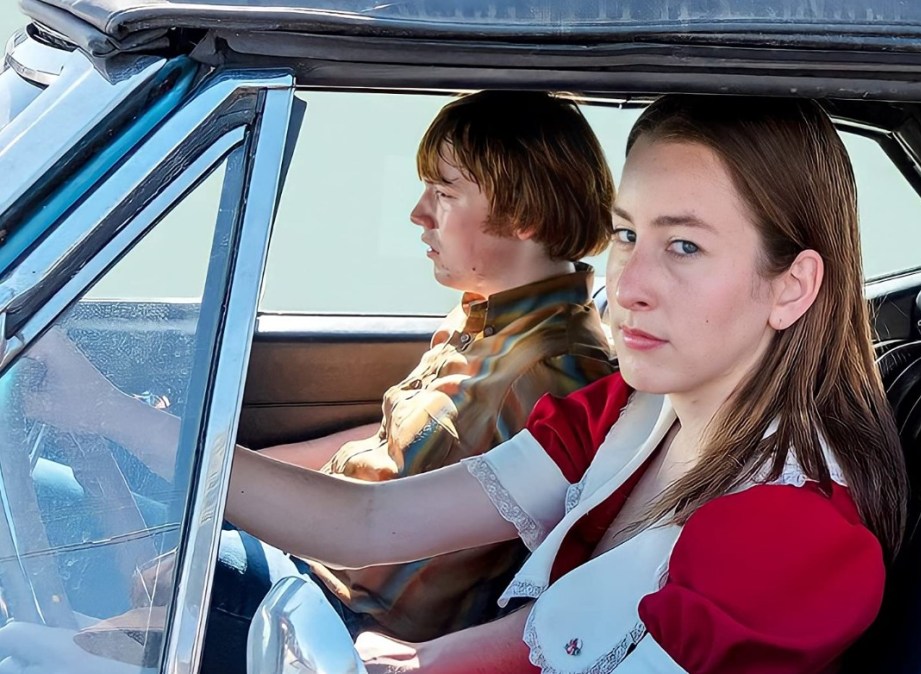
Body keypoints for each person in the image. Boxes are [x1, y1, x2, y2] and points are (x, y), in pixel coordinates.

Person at [219, 94, 909, 673]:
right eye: (627, 234)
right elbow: (370, 522)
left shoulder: (794, 539)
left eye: (685, 246)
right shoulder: (632, 410)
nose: (628, 286)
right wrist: (160, 437)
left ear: (791, 288)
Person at [5, 90, 617, 673]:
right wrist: (235, 492)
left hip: (329, 618)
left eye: (444, 192)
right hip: (303, 557)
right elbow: (388, 446)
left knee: (29, 624)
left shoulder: (556, 372)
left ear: (525, 214)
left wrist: (119, 418)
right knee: (47, 499)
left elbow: (515, 552)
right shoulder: (485, 312)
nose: (418, 213)